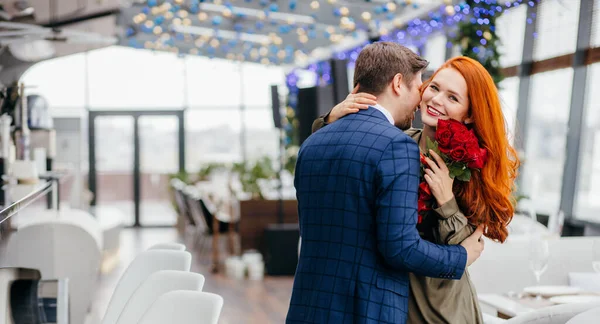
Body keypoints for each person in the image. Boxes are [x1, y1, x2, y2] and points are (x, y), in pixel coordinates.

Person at [286, 42, 485, 324]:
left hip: (313, 307)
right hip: (369, 307)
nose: (424, 100)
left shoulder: (312, 143)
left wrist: (447, 201)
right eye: (426, 88)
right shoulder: (398, 145)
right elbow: (400, 248)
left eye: (453, 97)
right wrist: (460, 258)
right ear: (397, 83)